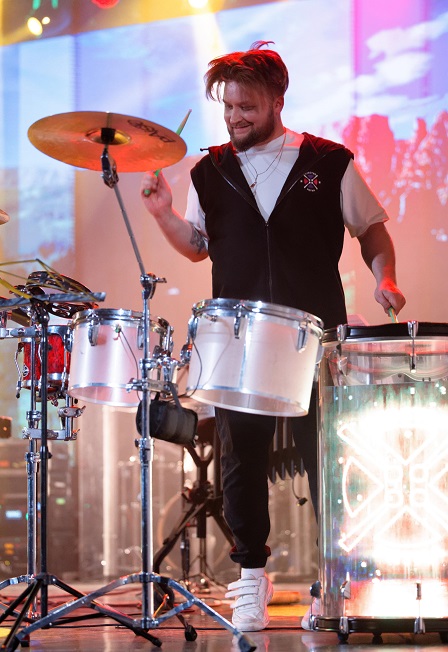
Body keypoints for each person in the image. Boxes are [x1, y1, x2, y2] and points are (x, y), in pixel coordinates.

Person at [140, 41, 406, 632]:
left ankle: (334, 583)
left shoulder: (328, 161)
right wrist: (162, 215)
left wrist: (385, 278)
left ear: (277, 102)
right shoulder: (210, 170)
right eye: (228, 107)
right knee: (241, 459)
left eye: (247, 107)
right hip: (239, 339)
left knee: (328, 460)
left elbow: (372, 229)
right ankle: (251, 580)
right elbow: (198, 246)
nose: (235, 118)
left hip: (316, 336)